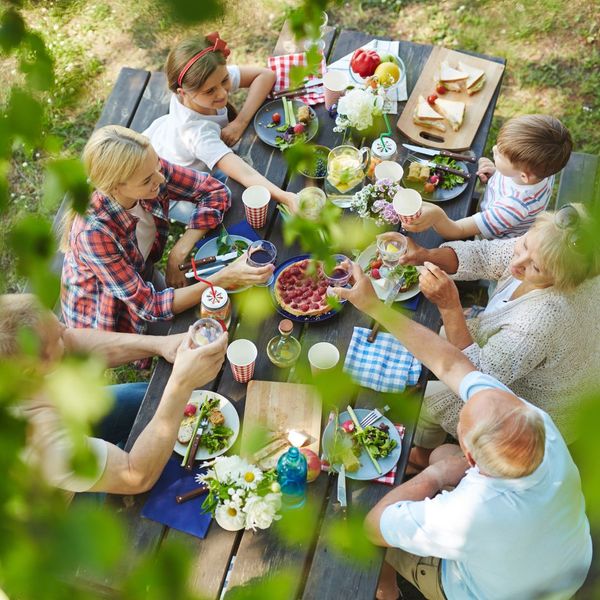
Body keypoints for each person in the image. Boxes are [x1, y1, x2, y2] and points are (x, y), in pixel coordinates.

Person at [331, 266, 592, 600]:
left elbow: (375, 524)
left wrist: (438, 475)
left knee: (358, 532)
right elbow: (453, 365)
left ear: (471, 457)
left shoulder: (467, 514)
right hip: (565, 561)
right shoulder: (536, 423)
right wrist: (375, 307)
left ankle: (387, 591)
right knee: (440, 454)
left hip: (483, 589)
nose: (477, 392)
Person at [399, 204, 599, 467]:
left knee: (426, 400)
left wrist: (450, 306)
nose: (517, 263)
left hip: (533, 412)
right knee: (433, 338)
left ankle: (421, 457)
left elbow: (478, 377)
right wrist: (426, 254)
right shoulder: (549, 245)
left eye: (535, 268)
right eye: (525, 245)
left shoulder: (542, 319)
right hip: (510, 360)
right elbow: (484, 255)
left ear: (562, 280)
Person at [1, 293, 227, 495]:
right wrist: (181, 384)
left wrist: (162, 344)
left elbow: (72, 342)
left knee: (150, 399)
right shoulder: (40, 443)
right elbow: (135, 476)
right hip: (59, 497)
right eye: (57, 338)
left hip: (71, 417)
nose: (64, 329)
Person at [61, 125, 273, 338]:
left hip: (143, 272)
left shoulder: (147, 169)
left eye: (157, 167)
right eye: (147, 180)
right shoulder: (93, 234)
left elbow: (215, 191)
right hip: (108, 314)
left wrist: (179, 250)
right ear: (114, 187)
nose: (161, 180)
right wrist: (223, 277)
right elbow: (150, 306)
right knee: (192, 331)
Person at [143, 32, 298, 221]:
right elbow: (245, 174)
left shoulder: (209, 79)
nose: (223, 93)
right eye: (210, 91)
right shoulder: (196, 133)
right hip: (173, 190)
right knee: (226, 215)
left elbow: (265, 75)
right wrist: (286, 197)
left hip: (168, 143)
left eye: (225, 80)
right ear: (183, 93)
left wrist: (240, 123)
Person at [404, 114, 572, 240]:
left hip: (494, 237)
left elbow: (458, 231)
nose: (493, 149)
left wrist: (437, 215)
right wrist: (496, 171)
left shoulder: (513, 208)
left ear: (523, 176)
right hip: (495, 210)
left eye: (499, 155)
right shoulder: (541, 170)